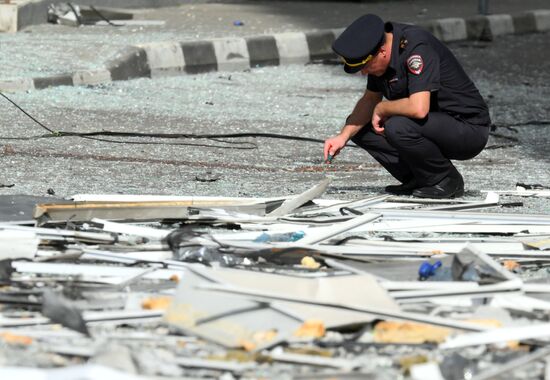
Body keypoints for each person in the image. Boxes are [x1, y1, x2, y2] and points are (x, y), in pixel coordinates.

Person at [324, 14, 491, 198]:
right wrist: (343, 136)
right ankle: (418, 177)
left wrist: (382, 109)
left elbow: (419, 108)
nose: (363, 72)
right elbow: (370, 99)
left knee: (397, 126)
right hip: (433, 125)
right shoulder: (379, 49)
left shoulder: (416, 48)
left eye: (365, 66)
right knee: (358, 127)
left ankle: (445, 180)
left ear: (382, 52)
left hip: (467, 128)